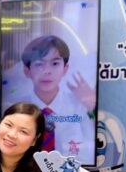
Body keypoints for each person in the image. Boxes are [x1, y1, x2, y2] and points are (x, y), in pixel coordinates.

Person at [19, 34, 96, 163]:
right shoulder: (16, 108)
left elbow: (93, 141)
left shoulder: (80, 106)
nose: (47, 71)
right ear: (27, 71)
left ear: (65, 69)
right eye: (39, 64)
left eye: (55, 63)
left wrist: (92, 105)